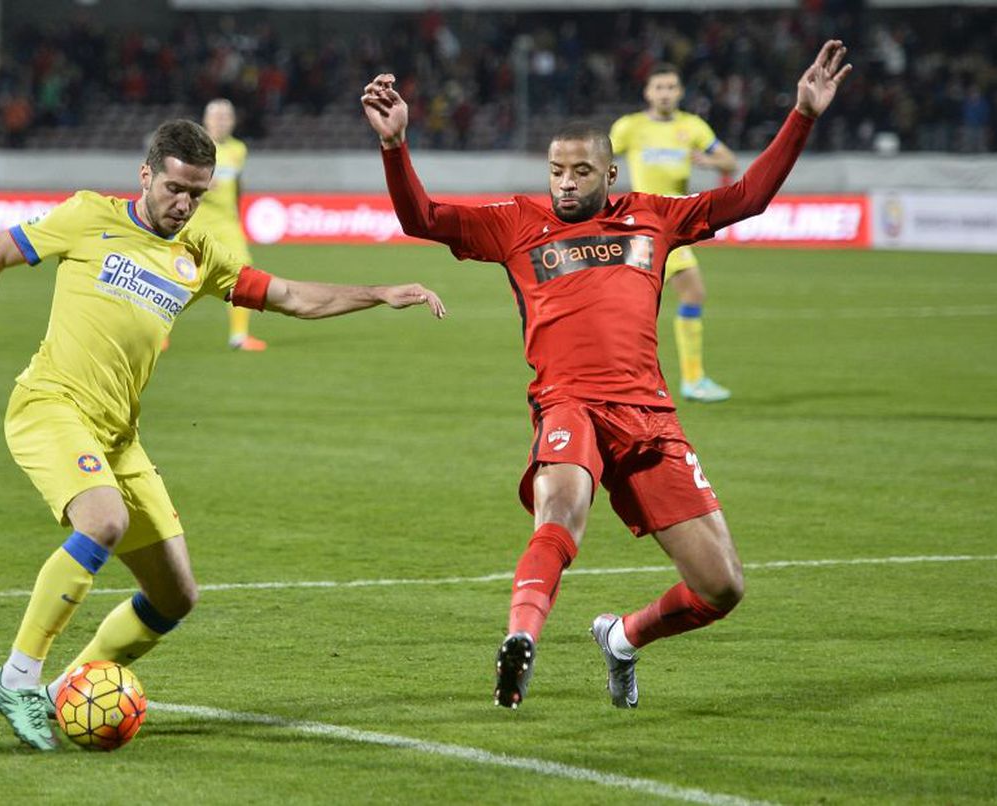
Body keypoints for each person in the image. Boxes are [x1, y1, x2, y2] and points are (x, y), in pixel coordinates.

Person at [362, 41, 850, 709]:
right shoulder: (514, 223)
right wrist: (395, 147)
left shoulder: (655, 217)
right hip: (569, 407)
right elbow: (421, 218)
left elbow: (748, 197)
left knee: (722, 587)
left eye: (580, 170)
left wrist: (801, 114)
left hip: (649, 418)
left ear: (609, 175)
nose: (564, 182)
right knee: (560, 510)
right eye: (556, 170)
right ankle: (520, 641)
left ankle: (622, 637)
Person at [0, 119, 445, 750]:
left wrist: (376, 292)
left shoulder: (199, 253)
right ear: (146, 175)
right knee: (102, 521)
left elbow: (286, 295)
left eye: (197, 193)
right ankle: (18, 677)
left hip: (118, 436)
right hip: (51, 405)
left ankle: (60, 689)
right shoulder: (87, 215)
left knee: (175, 595)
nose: (184, 204)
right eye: (175, 188)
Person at [610, 65, 739, 403]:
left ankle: (680, 379)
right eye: (659, 87)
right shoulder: (630, 127)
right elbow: (599, 158)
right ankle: (683, 379)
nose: (665, 93)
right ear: (647, 93)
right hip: (647, 224)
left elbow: (729, 160)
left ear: (680, 92)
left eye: (671, 87)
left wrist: (708, 163)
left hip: (676, 225)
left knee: (668, 299)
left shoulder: (691, 126)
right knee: (667, 299)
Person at [193, 98, 266, 351]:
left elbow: (237, 184)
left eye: (226, 116)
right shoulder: (195, 148)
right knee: (182, 279)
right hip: (197, 226)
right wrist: (199, 185)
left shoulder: (239, 149)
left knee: (243, 274)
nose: (222, 121)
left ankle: (239, 336)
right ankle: (156, 333)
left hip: (228, 225)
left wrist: (237, 212)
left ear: (233, 121)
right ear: (206, 120)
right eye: (217, 116)